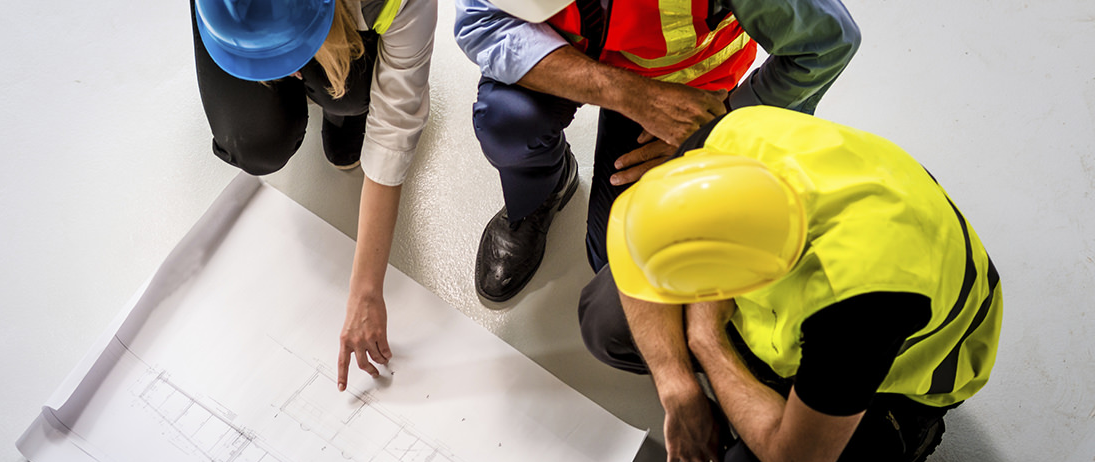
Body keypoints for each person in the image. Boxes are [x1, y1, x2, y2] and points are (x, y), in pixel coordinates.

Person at [578, 105, 1003, 462]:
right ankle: (768, 385)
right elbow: (641, 243)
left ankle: (900, 446)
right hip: (811, 293)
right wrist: (675, 385)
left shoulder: (861, 303)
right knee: (603, 318)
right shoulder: (733, 138)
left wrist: (706, 340)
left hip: (896, 380)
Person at [454, 0, 860, 302]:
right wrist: (624, 92)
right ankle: (541, 192)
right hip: (569, 52)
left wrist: (717, 127)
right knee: (507, 121)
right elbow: (481, 20)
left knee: (622, 261)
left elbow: (826, 43)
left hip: (683, 89)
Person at [190, 0, 435, 390]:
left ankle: (344, 110)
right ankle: (299, 78)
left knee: (352, 90)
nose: (288, 70)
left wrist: (365, 289)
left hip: (343, 22)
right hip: (238, 19)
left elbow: (393, 129)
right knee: (252, 143)